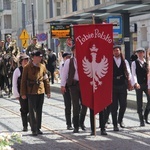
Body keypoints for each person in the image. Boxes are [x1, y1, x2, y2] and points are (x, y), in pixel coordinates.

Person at [20, 50, 51, 136]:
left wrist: (48, 91)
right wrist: (23, 93)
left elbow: (46, 79)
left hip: (40, 90)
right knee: (32, 111)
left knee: (39, 110)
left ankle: (38, 127)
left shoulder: (43, 66)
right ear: (34, 57)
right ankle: (34, 129)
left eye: (41, 57)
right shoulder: (27, 67)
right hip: (31, 91)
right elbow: (23, 81)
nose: (40, 58)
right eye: (39, 57)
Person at [61, 45, 87, 133]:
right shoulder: (69, 61)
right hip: (74, 85)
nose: (77, 52)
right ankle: (76, 126)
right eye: (75, 50)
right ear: (73, 51)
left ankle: (81, 122)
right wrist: (63, 85)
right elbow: (64, 74)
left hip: (84, 85)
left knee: (85, 104)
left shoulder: (85, 60)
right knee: (76, 105)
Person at [111, 45, 133, 131]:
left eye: (117, 50)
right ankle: (115, 124)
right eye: (115, 51)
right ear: (113, 52)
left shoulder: (125, 61)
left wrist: (130, 82)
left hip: (122, 84)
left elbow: (128, 72)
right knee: (114, 106)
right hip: (113, 85)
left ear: (120, 51)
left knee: (123, 104)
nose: (116, 52)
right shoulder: (110, 60)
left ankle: (120, 120)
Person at [131, 47, 150, 126]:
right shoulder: (134, 63)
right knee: (139, 102)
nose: (140, 54)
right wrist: (136, 83)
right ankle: (141, 119)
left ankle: (146, 115)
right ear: (137, 54)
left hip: (146, 84)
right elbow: (133, 74)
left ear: (143, 53)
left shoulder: (147, 63)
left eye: (141, 52)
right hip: (139, 84)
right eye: (138, 52)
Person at [12, 54, 29, 131]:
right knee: (24, 109)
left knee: (32, 109)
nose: (26, 62)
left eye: (27, 60)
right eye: (24, 60)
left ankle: (33, 124)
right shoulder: (17, 70)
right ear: (21, 62)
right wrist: (16, 94)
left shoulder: (30, 69)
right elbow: (14, 83)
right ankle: (25, 126)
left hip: (31, 93)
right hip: (22, 93)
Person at [59, 52, 73, 130]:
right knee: (68, 105)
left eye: (69, 57)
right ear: (64, 58)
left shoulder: (73, 63)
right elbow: (62, 75)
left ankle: (76, 121)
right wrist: (63, 85)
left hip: (74, 85)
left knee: (77, 105)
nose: (68, 59)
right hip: (66, 86)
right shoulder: (62, 65)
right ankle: (69, 123)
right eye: (67, 57)